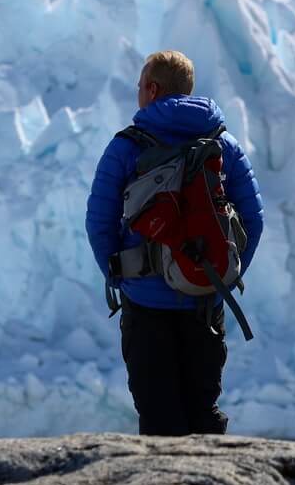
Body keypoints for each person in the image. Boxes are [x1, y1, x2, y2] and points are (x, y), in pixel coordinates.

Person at [85, 49, 264, 435]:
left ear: (151, 89)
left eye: (139, 86)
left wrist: (122, 276)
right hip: (205, 300)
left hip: (146, 305)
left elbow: (99, 220)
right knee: (202, 408)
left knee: (158, 414)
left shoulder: (127, 146)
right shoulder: (224, 144)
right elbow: (253, 218)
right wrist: (221, 273)